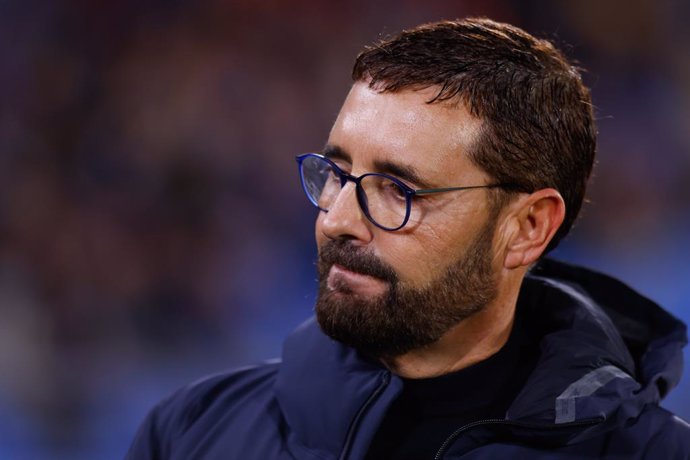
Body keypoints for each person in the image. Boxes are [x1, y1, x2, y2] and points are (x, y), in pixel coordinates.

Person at [126, 17, 690, 459]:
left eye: (397, 189)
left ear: (526, 228)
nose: (337, 219)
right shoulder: (192, 430)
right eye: (338, 173)